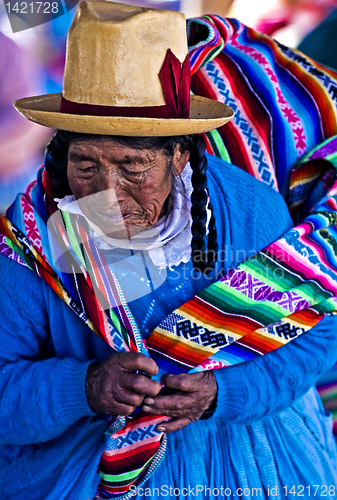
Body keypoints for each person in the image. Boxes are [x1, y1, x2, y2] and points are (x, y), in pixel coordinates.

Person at [1, 2, 337, 500]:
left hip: (247, 461)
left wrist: (224, 393)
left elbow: (316, 333)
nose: (107, 194)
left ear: (180, 155)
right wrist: (87, 386)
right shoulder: (35, 240)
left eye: (132, 166)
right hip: (88, 468)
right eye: (85, 164)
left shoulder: (248, 214)